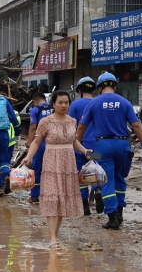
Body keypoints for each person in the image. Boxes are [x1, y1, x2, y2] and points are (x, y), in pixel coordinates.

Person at [77, 72, 142, 230]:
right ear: (114, 86)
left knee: (106, 180)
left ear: (99, 88)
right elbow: (136, 126)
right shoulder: (125, 102)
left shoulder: (94, 103)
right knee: (120, 179)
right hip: (122, 145)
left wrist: (76, 142)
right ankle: (120, 213)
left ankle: (112, 218)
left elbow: (82, 126)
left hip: (103, 146)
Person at [22, 91, 89, 249]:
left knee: (61, 200)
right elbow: (36, 142)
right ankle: (52, 238)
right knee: (52, 199)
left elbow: (74, 142)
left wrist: (86, 152)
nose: (64, 105)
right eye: (60, 102)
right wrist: (29, 156)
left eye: (66, 102)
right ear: (53, 104)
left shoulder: (72, 121)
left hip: (68, 164)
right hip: (52, 162)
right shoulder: (46, 121)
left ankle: (55, 236)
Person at [68, 76, 97, 216]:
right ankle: (97, 192)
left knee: (81, 173)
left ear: (79, 90)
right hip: (97, 147)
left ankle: (85, 206)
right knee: (96, 171)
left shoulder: (75, 105)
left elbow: (71, 125)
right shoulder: (98, 103)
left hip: (80, 146)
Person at [27, 92, 52, 204]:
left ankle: (34, 196)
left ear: (34, 101)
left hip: (41, 142)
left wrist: (29, 144)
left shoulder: (35, 110)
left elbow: (33, 127)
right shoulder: (54, 107)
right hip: (54, 143)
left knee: (37, 169)